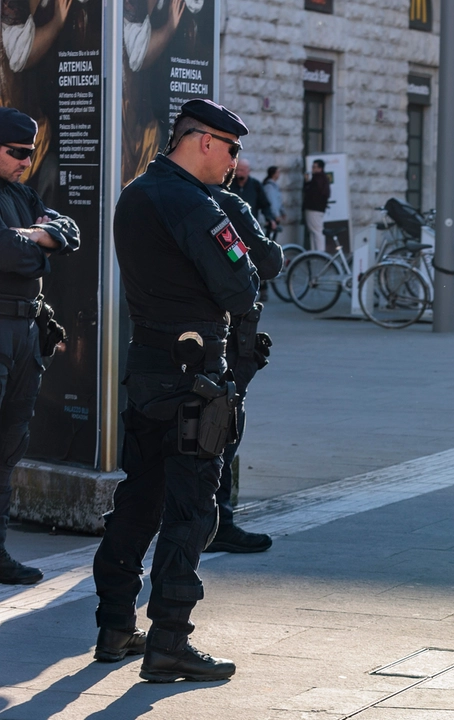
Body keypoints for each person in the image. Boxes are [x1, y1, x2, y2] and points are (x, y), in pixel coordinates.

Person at [92, 99, 258, 683]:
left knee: (139, 498)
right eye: (232, 149)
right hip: (196, 376)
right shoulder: (193, 203)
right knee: (190, 509)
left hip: (149, 365)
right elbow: (242, 285)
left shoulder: (136, 193)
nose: (235, 162)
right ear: (204, 142)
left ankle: (115, 625)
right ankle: (169, 641)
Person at [0, 107, 79, 585]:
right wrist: (36, 243)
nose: (26, 161)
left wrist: (35, 237)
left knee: (9, 450)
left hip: (26, 335)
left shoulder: (22, 193)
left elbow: (67, 232)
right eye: (15, 152)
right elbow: (10, 253)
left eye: (30, 153)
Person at [202, 171, 282, 555]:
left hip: (173, 339)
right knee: (222, 430)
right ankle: (218, 522)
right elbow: (269, 260)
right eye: (231, 149)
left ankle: (203, 521)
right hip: (226, 337)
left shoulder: (157, 198)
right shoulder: (227, 203)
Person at [229, 160, 271, 232]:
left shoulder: (255, 185)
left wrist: (270, 219)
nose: (238, 173)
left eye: (241, 170)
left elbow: (264, 204)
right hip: (232, 226)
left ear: (248, 171)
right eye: (237, 170)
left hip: (250, 225)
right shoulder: (229, 184)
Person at [302, 159, 329, 253]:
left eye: (314, 167)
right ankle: (316, 252)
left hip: (314, 208)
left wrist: (307, 183)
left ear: (320, 168)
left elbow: (311, 193)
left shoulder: (318, 178)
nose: (312, 169)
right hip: (317, 208)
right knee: (315, 231)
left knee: (316, 232)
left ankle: (319, 253)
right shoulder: (322, 178)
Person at [262, 166, 285, 240]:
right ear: (273, 174)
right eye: (278, 172)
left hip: (274, 215)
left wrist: (282, 211)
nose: (279, 174)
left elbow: (278, 200)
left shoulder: (274, 185)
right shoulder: (269, 187)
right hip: (271, 216)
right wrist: (276, 215)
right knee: (270, 238)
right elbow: (272, 202)